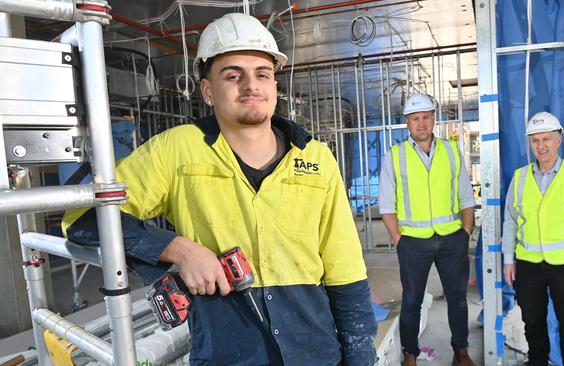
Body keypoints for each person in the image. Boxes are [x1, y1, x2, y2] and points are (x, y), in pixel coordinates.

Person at [62, 12, 377, 366]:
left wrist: (362, 356)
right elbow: (83, 217)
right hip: (226, 353)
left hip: (315, 351)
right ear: (208, 91)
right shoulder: (177, 150)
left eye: (263, 74)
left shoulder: (316, 157)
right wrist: (176, 249)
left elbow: (345, 269)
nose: (251, 85)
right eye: (233, 75)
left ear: (274, 86)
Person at [378, 93, 476, 366]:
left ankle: (461, 351)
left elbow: (466, 197)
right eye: (414, 119)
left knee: (457, 299)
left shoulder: (451, 151)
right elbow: (386, 205)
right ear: (407, 123)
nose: (420, 123)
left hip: (451, 239)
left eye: (425, 117)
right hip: (413, 242)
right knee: (412, 301)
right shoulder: (395, 156)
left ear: (434, 119)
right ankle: (411, 353)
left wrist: (465, 231)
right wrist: (399, 240)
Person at [502, 111, 564, 366]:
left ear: (559, 141)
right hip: (528, 265)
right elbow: (510, 221)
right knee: (532, 324)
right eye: (535, 140)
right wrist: (508, 260)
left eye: (546, 139)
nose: (541, 146)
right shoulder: (520, 177)